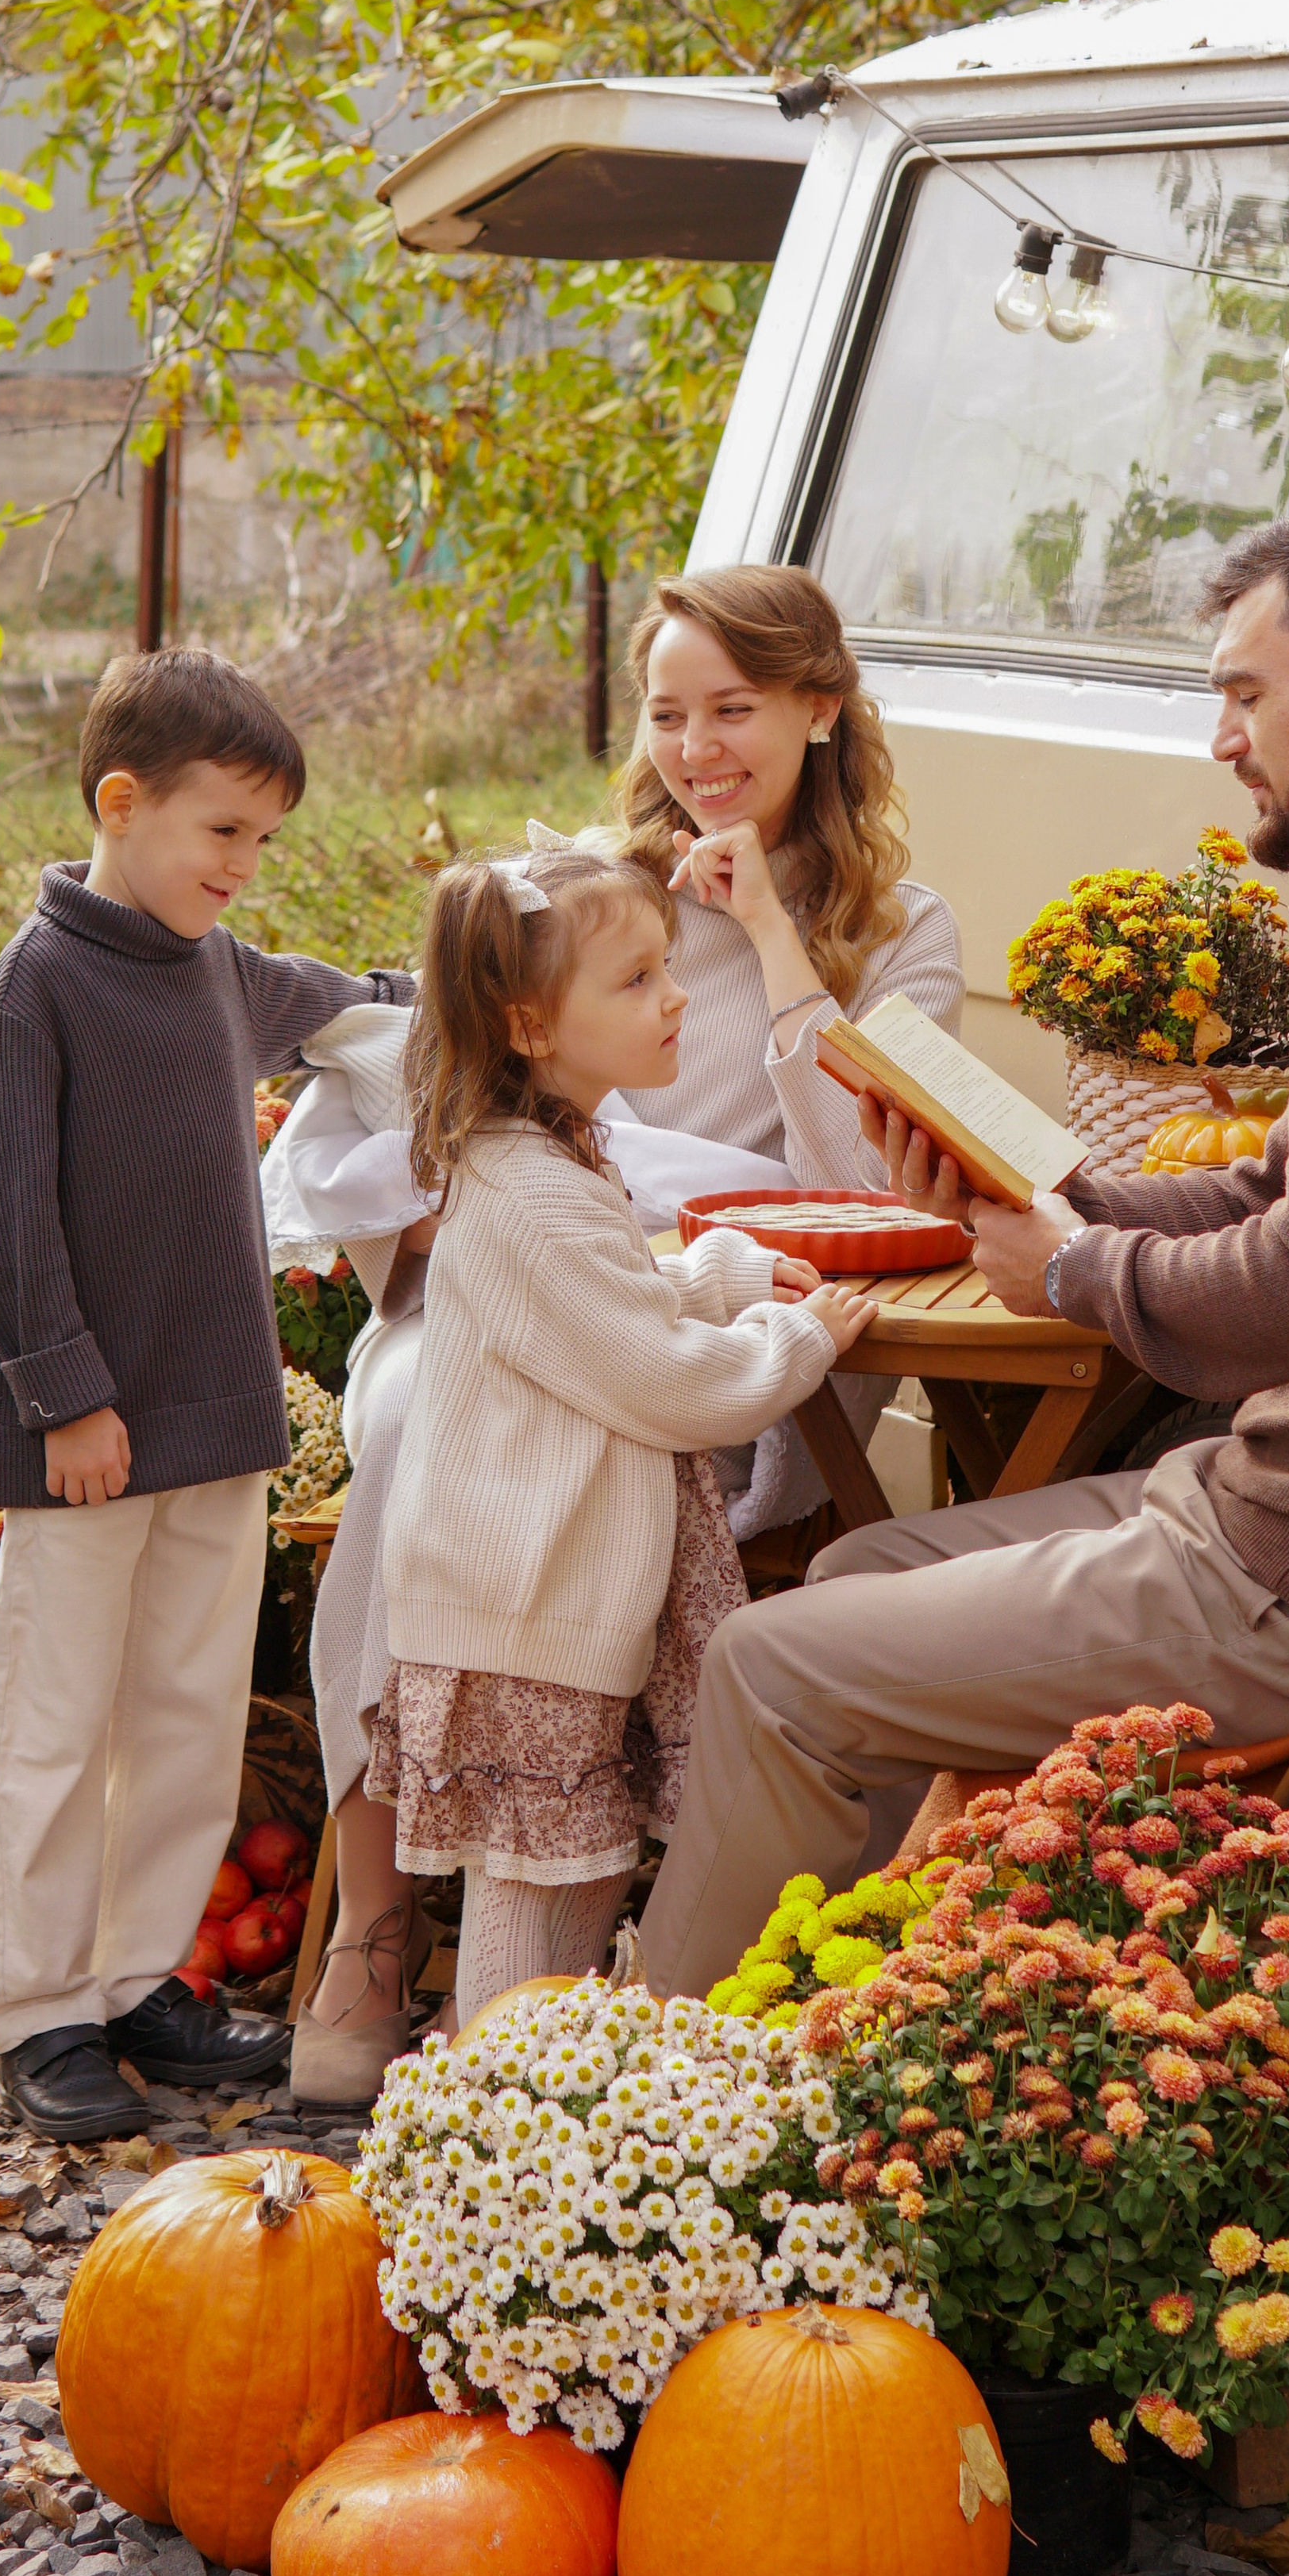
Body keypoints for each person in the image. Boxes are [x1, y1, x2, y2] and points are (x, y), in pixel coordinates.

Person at [641, 507, 1289, 2000]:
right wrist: (1062, 1193)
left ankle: (668, 2102)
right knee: (860, 1558)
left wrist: (1071, 1272)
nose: (1221, 737)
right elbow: (1288, 1195)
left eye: (1243, 692)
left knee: (764, 1666)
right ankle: (854, 2032)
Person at [287, 560, 963, 2101]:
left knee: (550, 1437)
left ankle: (555, 1933)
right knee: (399, 1421)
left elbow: (860, 1179)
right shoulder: (589, 890)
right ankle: (379, 1920)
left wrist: (777, 932)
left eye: (733, 709)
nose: (696, 748)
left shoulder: (898, 925)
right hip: (547, 1281)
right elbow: (459, 1083)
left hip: (720, 1301)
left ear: (818, 707)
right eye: (666, 713)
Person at [0, 648, 414, 2142]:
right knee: (55, 1711)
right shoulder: (40, 990)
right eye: (223, 832)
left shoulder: (218, 969)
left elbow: (334, 999)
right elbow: (4, 1220)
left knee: (185, 1707)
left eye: (263, 840)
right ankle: (38, 2004)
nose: (245, 865)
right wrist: (63, 1395)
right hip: (87, 1432)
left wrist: (434, 987)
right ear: (121, 803)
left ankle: (144, 1971)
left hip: (215, 1417)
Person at [371, 841, 874, 2023]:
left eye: (666, 968)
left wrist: (730, 1268)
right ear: (533, 1027)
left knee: (585, 1857)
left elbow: (620, 1299)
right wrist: (805, 1342)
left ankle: (548, 2089)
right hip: (520, 1608)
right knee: (533, 1872)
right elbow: (669, 1381)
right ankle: (486, 2103)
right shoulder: (530, 1197)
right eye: (636, 980)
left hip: (553, 1595)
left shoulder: (544, 1160)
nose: (675, 995)